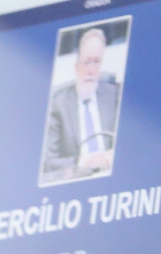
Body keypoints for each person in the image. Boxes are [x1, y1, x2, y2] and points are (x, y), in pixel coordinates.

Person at [41, 26, 122, 184]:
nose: (91, 70)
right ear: (76, 67)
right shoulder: (59, 105)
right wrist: (82, 162)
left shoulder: (114, 95)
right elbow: (47, 163)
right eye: (86, 62)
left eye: (96, 62)